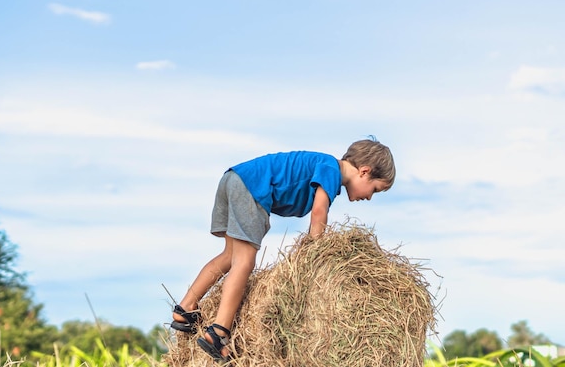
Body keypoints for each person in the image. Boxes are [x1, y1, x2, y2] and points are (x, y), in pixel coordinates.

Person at [170, 137, 396, 364]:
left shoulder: (325, 166)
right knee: (244, 262)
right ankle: (218, 333)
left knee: (230, 256)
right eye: (375, 190)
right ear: (364, 172)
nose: (369, 197)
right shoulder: (331, 169)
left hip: (234, 178)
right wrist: (316, 253)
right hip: (251, 186)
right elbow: (319, 212)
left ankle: (186, 308)